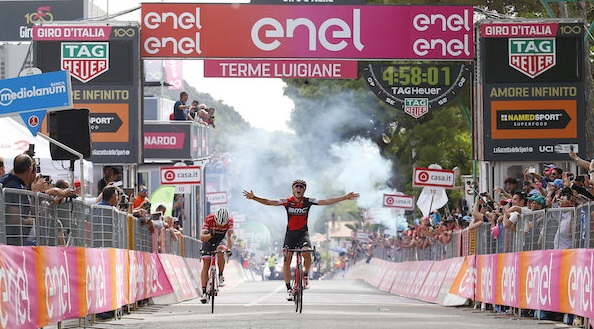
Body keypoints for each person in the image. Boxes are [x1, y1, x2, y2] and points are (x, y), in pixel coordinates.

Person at [242, 179, 359, 301]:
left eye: (301, 187)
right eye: (296, 187)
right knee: (287, 260)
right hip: (290, 235)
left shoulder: (308, 201)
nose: (299, 188)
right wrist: (254, 197)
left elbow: (326, 201)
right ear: (293, 189)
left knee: (307, 253)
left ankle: (306, 275)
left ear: (304, 190)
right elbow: (269, 202)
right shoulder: (287, 201)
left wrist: (344, 197)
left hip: (303, 233)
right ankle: (288, 289)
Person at [0, 154, 37, 245]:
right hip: (11, 243)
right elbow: (14, 219)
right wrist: (29, 221)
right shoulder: (14, 187)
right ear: (29, 169)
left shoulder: (10, 179)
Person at [199, 208, 234, 304]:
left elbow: (230, 236)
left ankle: (220, 275)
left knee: (221, 250)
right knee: (206, 264)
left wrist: (229, 249)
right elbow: (202, 237)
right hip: (208, 239)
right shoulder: (209, 219)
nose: (220, 226)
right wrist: (210, 234)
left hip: (221, 240)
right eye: (218, 224)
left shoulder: (230, 221)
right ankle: (204, 291)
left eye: (223, 225)